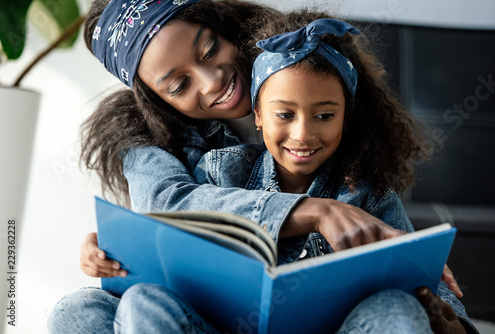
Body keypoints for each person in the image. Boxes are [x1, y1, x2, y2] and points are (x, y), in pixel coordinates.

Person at [47, 0, 473, 333]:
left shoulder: (300, 70)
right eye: (179, 84)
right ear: (156, 102)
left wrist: (432, 292)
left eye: (210, 48)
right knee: (80, 311)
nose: (211, 80)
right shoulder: (164, 147)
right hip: (205, 318)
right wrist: (114, 247)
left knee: (398, 308)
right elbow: (166, 205)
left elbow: (420, 279)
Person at [191, 18, 478, 333]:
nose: (303, 134)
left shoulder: (367, 195)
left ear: (345, 117)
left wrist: (453, 324)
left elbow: (428, 284)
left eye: (325, 116)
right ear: (258, 114)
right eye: (284, 114)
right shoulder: (221, 172)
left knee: (399, 306)